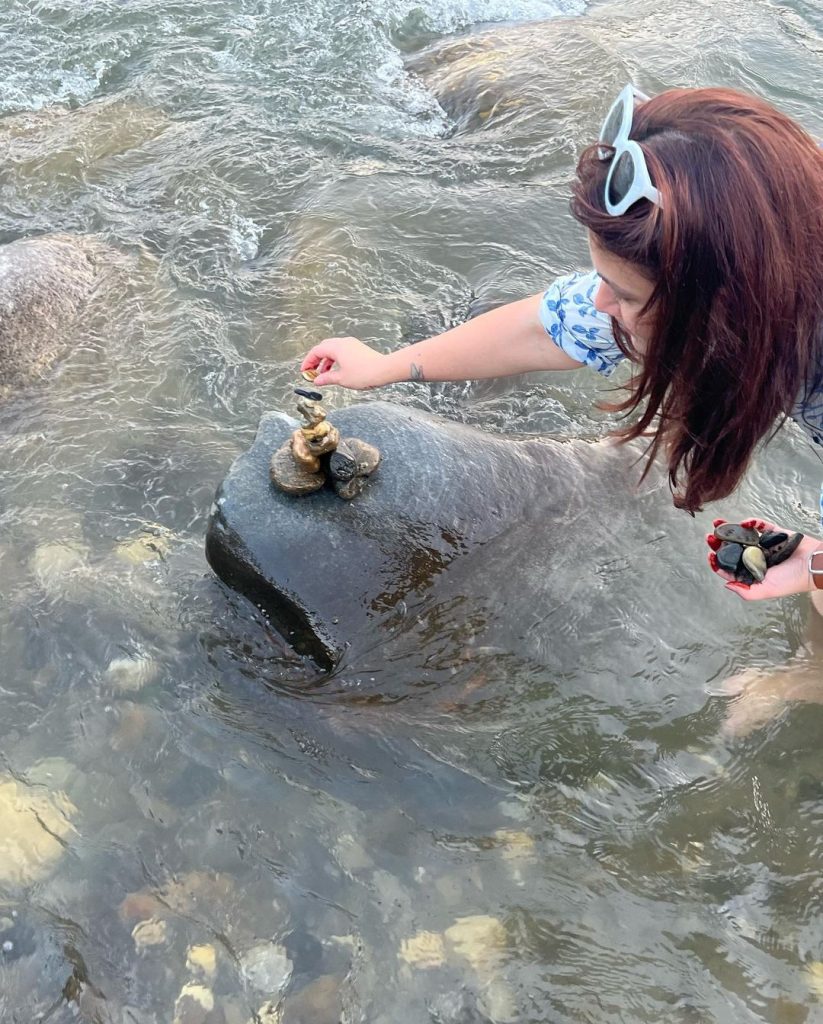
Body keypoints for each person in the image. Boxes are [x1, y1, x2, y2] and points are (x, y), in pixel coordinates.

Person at [301, 85, 823, 609]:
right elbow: (546, 326)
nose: (599, 301)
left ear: (723, 307)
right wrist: (388, 366)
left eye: (622, 293)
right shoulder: (775, 264)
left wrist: (815, 571)